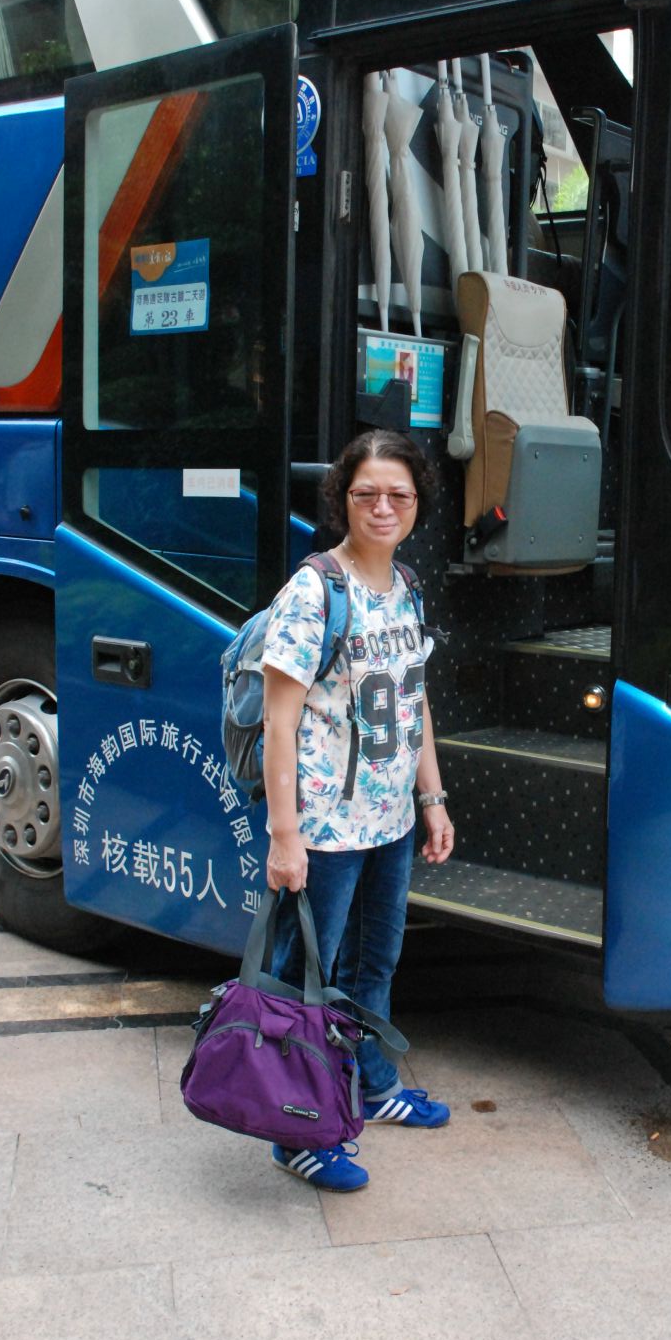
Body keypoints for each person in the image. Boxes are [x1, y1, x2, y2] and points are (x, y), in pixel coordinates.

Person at [261, 429, 454, 1192]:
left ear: (418, 503)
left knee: (375, 964)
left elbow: (414, 700)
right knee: (305, 979)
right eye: (365, 493)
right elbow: (280, 721)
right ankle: (294, 1130)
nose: (382, 507)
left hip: (389, 823)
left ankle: (373, 1086)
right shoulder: (315, 590)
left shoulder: (405, 584)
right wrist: (285, 836)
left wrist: (430, 798)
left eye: (397, 494)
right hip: (325, 829)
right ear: (342, 498)